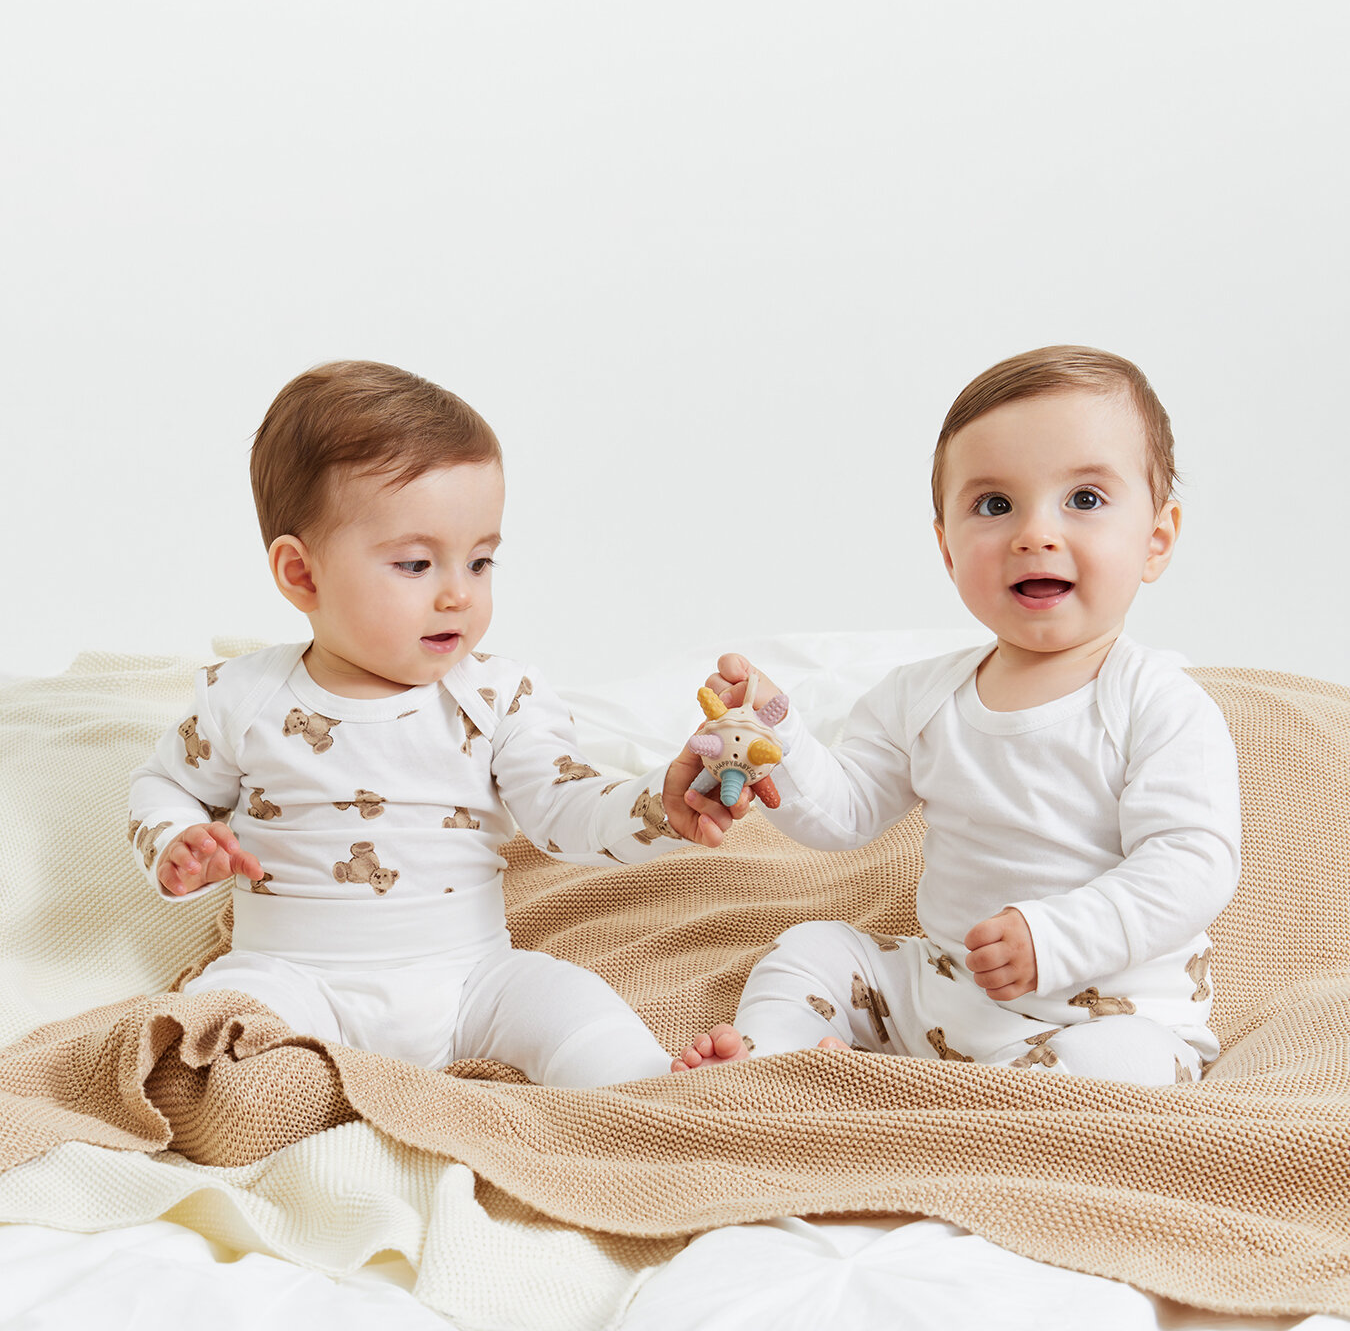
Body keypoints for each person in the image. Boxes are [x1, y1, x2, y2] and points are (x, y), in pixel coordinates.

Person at [127, 360, 741, 1086]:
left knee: (569, 1001)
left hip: (473, 977)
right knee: (218, 1034)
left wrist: (659, 802)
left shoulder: (500, 695)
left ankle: (644, 1087)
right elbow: (164, 784)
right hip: (292, 976)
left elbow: (565, 808)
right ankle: (277, 1094)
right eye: (417, 565)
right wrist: (177, 842)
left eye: (480, 562)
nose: (459, 595)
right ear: (302, 574)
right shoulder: (243, 697)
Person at [672, 345, 1241, 1087]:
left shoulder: (1161, 704)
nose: (1035, 533)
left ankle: (954, 1105)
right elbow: (844, 812)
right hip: (944, 996)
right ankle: (776, 1067)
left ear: (1155, 541)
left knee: (1124, 1066)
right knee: (813, 949)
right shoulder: (920, 697)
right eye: (995, 505)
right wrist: (774, 733)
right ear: (947, 549)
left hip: (1103, 1015)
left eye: (1084, 499)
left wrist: (1053, 938)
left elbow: (1191, 865)